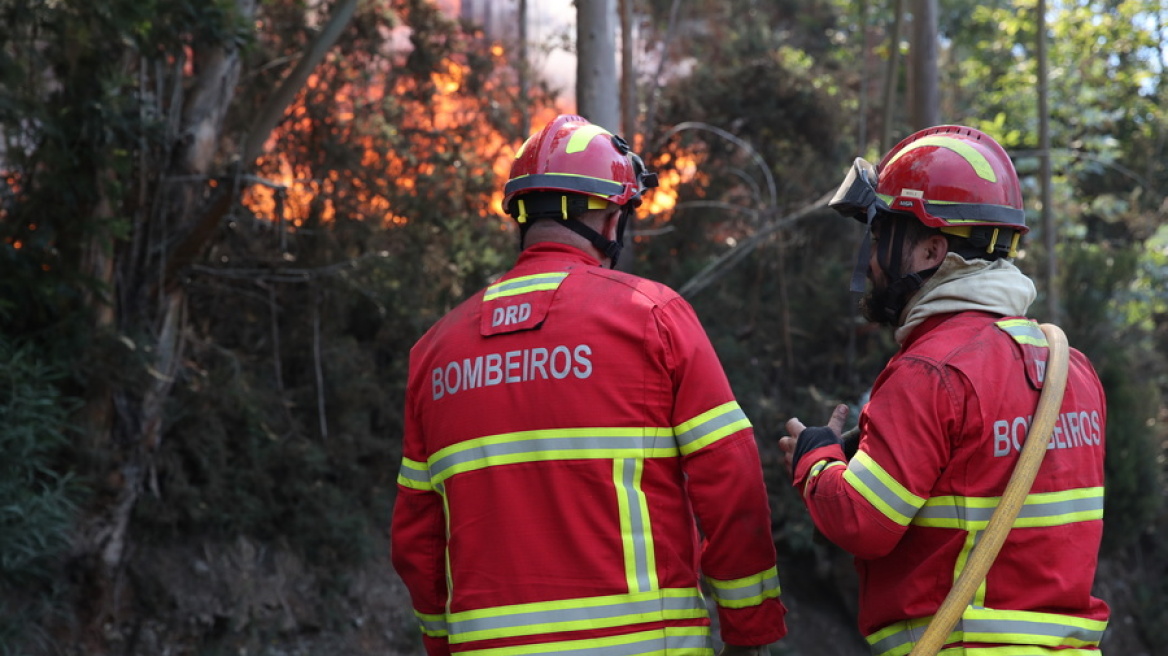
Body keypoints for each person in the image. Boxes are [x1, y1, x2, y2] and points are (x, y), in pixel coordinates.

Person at [391, 114, 788, 656]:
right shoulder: (652, 317)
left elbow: (418, 539)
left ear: (521, 216)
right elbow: (730, 479)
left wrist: (442, 643)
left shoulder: (435, 351)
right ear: (607, 217)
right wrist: (749, 631)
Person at [778, 125, 1110, 655]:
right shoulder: (1071, 370)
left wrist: (817, 458)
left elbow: (862, 522)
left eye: (883, 237)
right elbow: (979, 473)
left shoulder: (931, 371)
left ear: (932, 249)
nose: (871, 260)